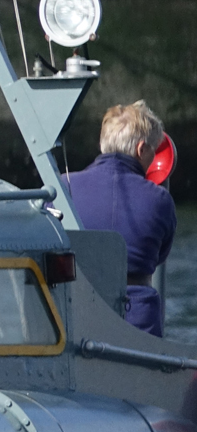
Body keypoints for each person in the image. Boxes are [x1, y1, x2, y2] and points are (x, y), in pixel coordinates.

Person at [67, 101, 177, 337]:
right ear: (140, 149)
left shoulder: (63, 186)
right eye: (152, 150)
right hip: (138, 321)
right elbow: (159, 256)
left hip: (77, 313)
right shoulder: (160, 200)